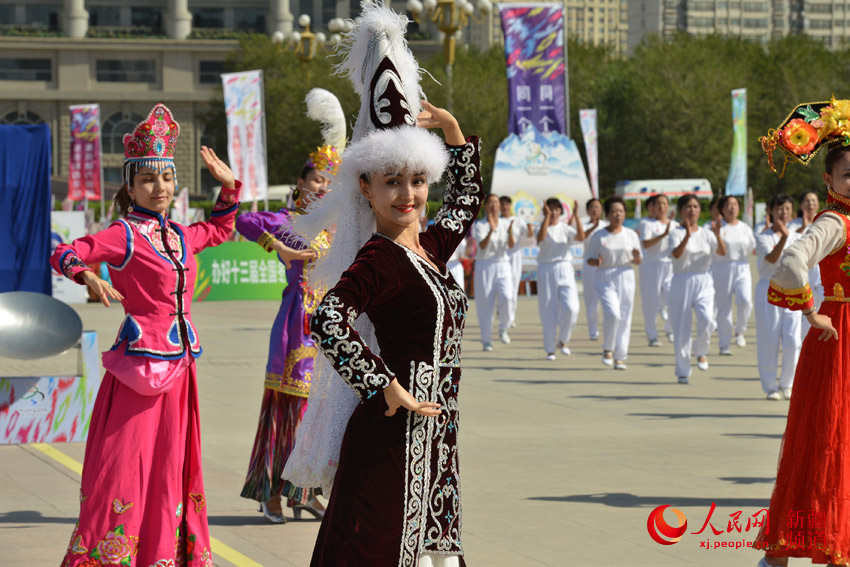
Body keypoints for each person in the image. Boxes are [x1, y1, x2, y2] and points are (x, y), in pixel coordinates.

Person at [282, 5, 481, 564]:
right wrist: (381, 384)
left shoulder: (429, 250)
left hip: (436, 435)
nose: (407, 195)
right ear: (366, 189)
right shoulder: (380, 258)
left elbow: (464, 203)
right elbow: (327, 318)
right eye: (391, 182)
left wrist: (452, 133)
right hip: (391, 435)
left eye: (417, 181)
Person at [52, 104, 240, 566]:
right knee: (124, 468)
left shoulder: (178, 233)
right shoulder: (123, 234)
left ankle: (161, 555)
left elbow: (219, 228)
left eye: (166, 178)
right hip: (138, 368)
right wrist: (87, 276)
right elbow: (64, 249)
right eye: (149, 179)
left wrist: (230, 186)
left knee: (170, 470)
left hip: (178, 370)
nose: (160, 188)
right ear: (131, 185)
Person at [235, 89, 344, 523]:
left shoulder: (336, 227)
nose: (323, 186)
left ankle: (305, 490)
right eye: (317, 178)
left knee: (316, 411)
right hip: (295, 324)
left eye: (330, 182)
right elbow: (241, 220)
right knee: (285, 409)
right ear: (301, 181)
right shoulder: (286, 219)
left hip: (326, 326)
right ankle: (270, 491)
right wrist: (277, 245)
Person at [754, 99, 850, 567]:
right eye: (848, 174)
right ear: (828, 181)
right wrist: (812, 312)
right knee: (825, 444)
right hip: (838, 342)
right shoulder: (836, 222)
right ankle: (788, 553)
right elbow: (793, 261)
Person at [667, 194, 726, 384]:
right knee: (682, 328)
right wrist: (686, 235)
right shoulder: (675, 233)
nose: (691, 210)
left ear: (700, 210)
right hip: (681, 280)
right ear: (681, 211)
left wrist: (717, 235)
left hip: (703, 279)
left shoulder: (707, 233)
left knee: (708, 319)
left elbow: (721, 253)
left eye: (695, 207)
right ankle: (683, 370)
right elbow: (676, 256)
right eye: (687, 207)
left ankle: (701, 350)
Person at [755, 194, 803, 400]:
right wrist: (783, 237)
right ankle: (770, 385)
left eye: (787, 208)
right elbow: (772, 258)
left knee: (793, 340)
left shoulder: (798, 237)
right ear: (771, 212)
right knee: (770, 338)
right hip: (769, 287)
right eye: (779, 209)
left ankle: (788, 383)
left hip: (792, 289)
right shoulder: (763, 236)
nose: (783, 212)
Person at [584, 196, 641, 370]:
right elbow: (589, 260)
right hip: (605, 276)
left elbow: (638, 260)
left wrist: (637, 257)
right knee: (613, 314)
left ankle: (620, 356)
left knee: (624, 316)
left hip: (626, 274)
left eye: (621, 211)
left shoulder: (631, 234)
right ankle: (608, 347)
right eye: (614, 211)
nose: (618, 214)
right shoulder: (598, 236)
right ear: (607, 214)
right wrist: (597, 262)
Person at [536, 197, 586, 360]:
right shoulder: (541, 227)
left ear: (561, 211)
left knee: (572, 308)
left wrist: (577, 216)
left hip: (565, 267)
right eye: (550, 209)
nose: (553, 212)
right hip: (546, 268)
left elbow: (581, 237)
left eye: (557, 209)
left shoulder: (566, 228)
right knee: (548, 310)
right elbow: (540, 238)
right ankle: (550, 349)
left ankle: (563, 340)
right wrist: (546, 218)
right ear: (545, 211)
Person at [711, 195, 755, 354]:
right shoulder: (716, 227)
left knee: (745, 301)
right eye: (728, 205)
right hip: (721, 267)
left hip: (742, 267)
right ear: (722, 209)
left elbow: (754, 248)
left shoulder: (744, 228)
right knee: (724, 307)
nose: (732, 208)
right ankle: (724, 344)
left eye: (735, 204)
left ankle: (740, 331)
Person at [473, 194, 517, 350]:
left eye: (496, 203)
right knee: (485, 304)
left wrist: (510, 232)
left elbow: (511, 245)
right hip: (485, 265)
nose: (493, 205)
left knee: (508, 297)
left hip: (502, 264)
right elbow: (482, 246)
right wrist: (491, 230)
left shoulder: (506, 224)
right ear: (486, 207)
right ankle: (486, 340)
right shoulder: (479, 225)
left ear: (499, 206)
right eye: (490, 203)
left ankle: (503, 327)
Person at [639, 194, 677, 346]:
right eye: (658, 204)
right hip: (651, 265)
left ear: (668, 206)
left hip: (670, 265)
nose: (662, 207)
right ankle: (652, 335)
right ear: (653, 207)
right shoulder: (647, 223)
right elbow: (646, 244)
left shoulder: (675, 224)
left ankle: (670, 329)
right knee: (651, 303)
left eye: (664, 204)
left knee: (672, 300)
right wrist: (663, 234)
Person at [788, 190, 824, 337]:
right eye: (807, 201)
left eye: (813, 200)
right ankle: (804, 343)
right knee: (804, 312)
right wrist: (803, 227)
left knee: (821, 307)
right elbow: (790, 243)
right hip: (802, 271)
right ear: (801, 204)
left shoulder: (823, 221)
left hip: (820, 271)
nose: (810, 204)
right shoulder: (793, 224)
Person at [501, 195, 532, 328]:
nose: (505, 207)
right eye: (502, 204)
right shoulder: (497, 220)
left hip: (515, 255)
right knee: (501, 286)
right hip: (501, 255)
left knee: (513, 286)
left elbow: (529, 236)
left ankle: (510, 316)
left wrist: (530, 226)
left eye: (507, 204)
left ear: (510, 206)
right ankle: (502, 311)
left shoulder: (518, 221)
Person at [581, 197, 609, 340]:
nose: (595, 210)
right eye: (592, 207)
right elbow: (581, 237)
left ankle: (608, 327)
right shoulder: (584, 226)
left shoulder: (607, 225)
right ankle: (593, 329)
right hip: (590, 265)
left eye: (597, 207)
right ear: (587, 210)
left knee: (607, 298)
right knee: (591, 299)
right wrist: (594, 226)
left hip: (605, 265)